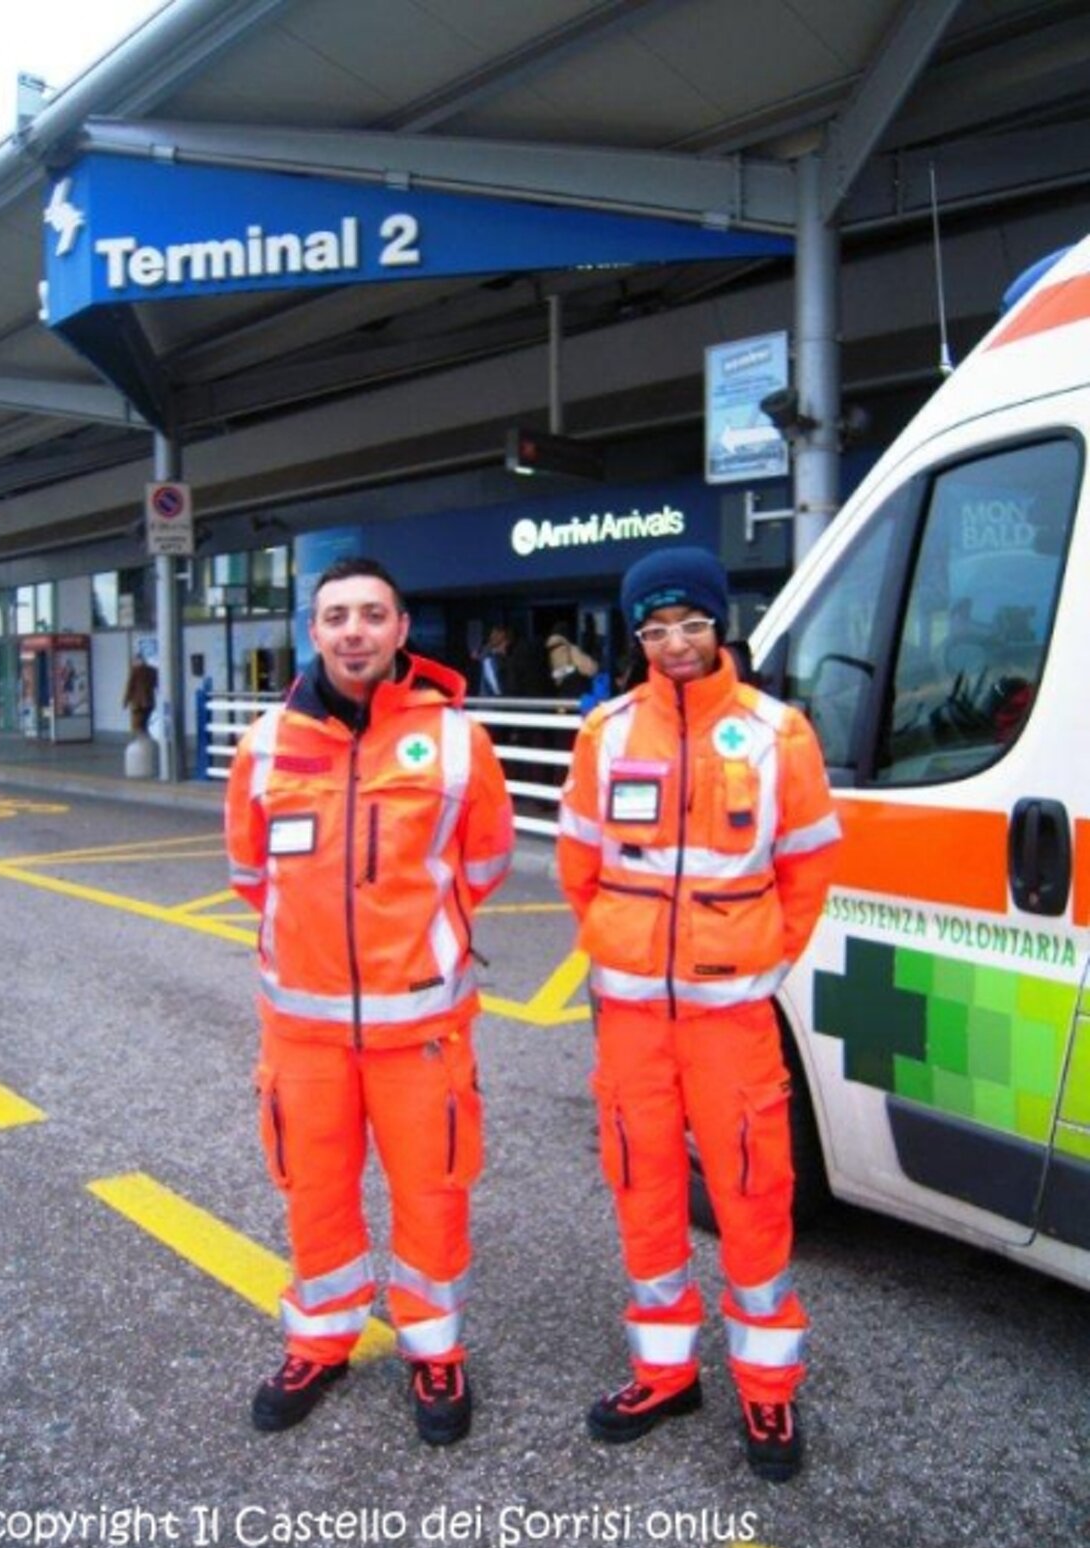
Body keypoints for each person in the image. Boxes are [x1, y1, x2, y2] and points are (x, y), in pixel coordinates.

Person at [555, 546, 840, 1483]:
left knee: (754, 1194)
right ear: (636, 638)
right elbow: (579, 865)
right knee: (643, 1187)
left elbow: (806, 869)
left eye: (690, 624)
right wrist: (619, 941)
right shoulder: (606, 733)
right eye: (655, 628)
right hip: (632, 1015)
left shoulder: (775, 733)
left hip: (731, 1018)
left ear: (721, 629)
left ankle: (767, 1388)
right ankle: (664, 1370)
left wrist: (755, 957)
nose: (674, 643)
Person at [225, 557, 514, 1448]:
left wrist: (409, 946)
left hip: (421, 1027)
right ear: (312, 634)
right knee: (314, 1191)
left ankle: (434, 1348)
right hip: (303, 1032)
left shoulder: (458, 742)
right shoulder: (264, 744)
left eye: (371, 615)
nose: (354, 630)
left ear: (400, 631)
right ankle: (321, 1338)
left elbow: (484, 864)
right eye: (336, 615)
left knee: (432, 1192)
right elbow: (249, 873)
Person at [545, 624, 597, 701]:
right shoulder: (571, 649)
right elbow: (591, 669)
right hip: (573, 694)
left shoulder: (544, 652)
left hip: (558, 695)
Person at [122, 653, 157, 734]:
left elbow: (129, 687)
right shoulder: (152, 671)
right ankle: (147, 741)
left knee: (137, 726)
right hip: (149, 702)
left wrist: (125, 701)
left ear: (137, 661)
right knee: (145, 724)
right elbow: (156, 685)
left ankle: (141, 743)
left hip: (138, 704)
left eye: (134, 660)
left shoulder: (135, 671)